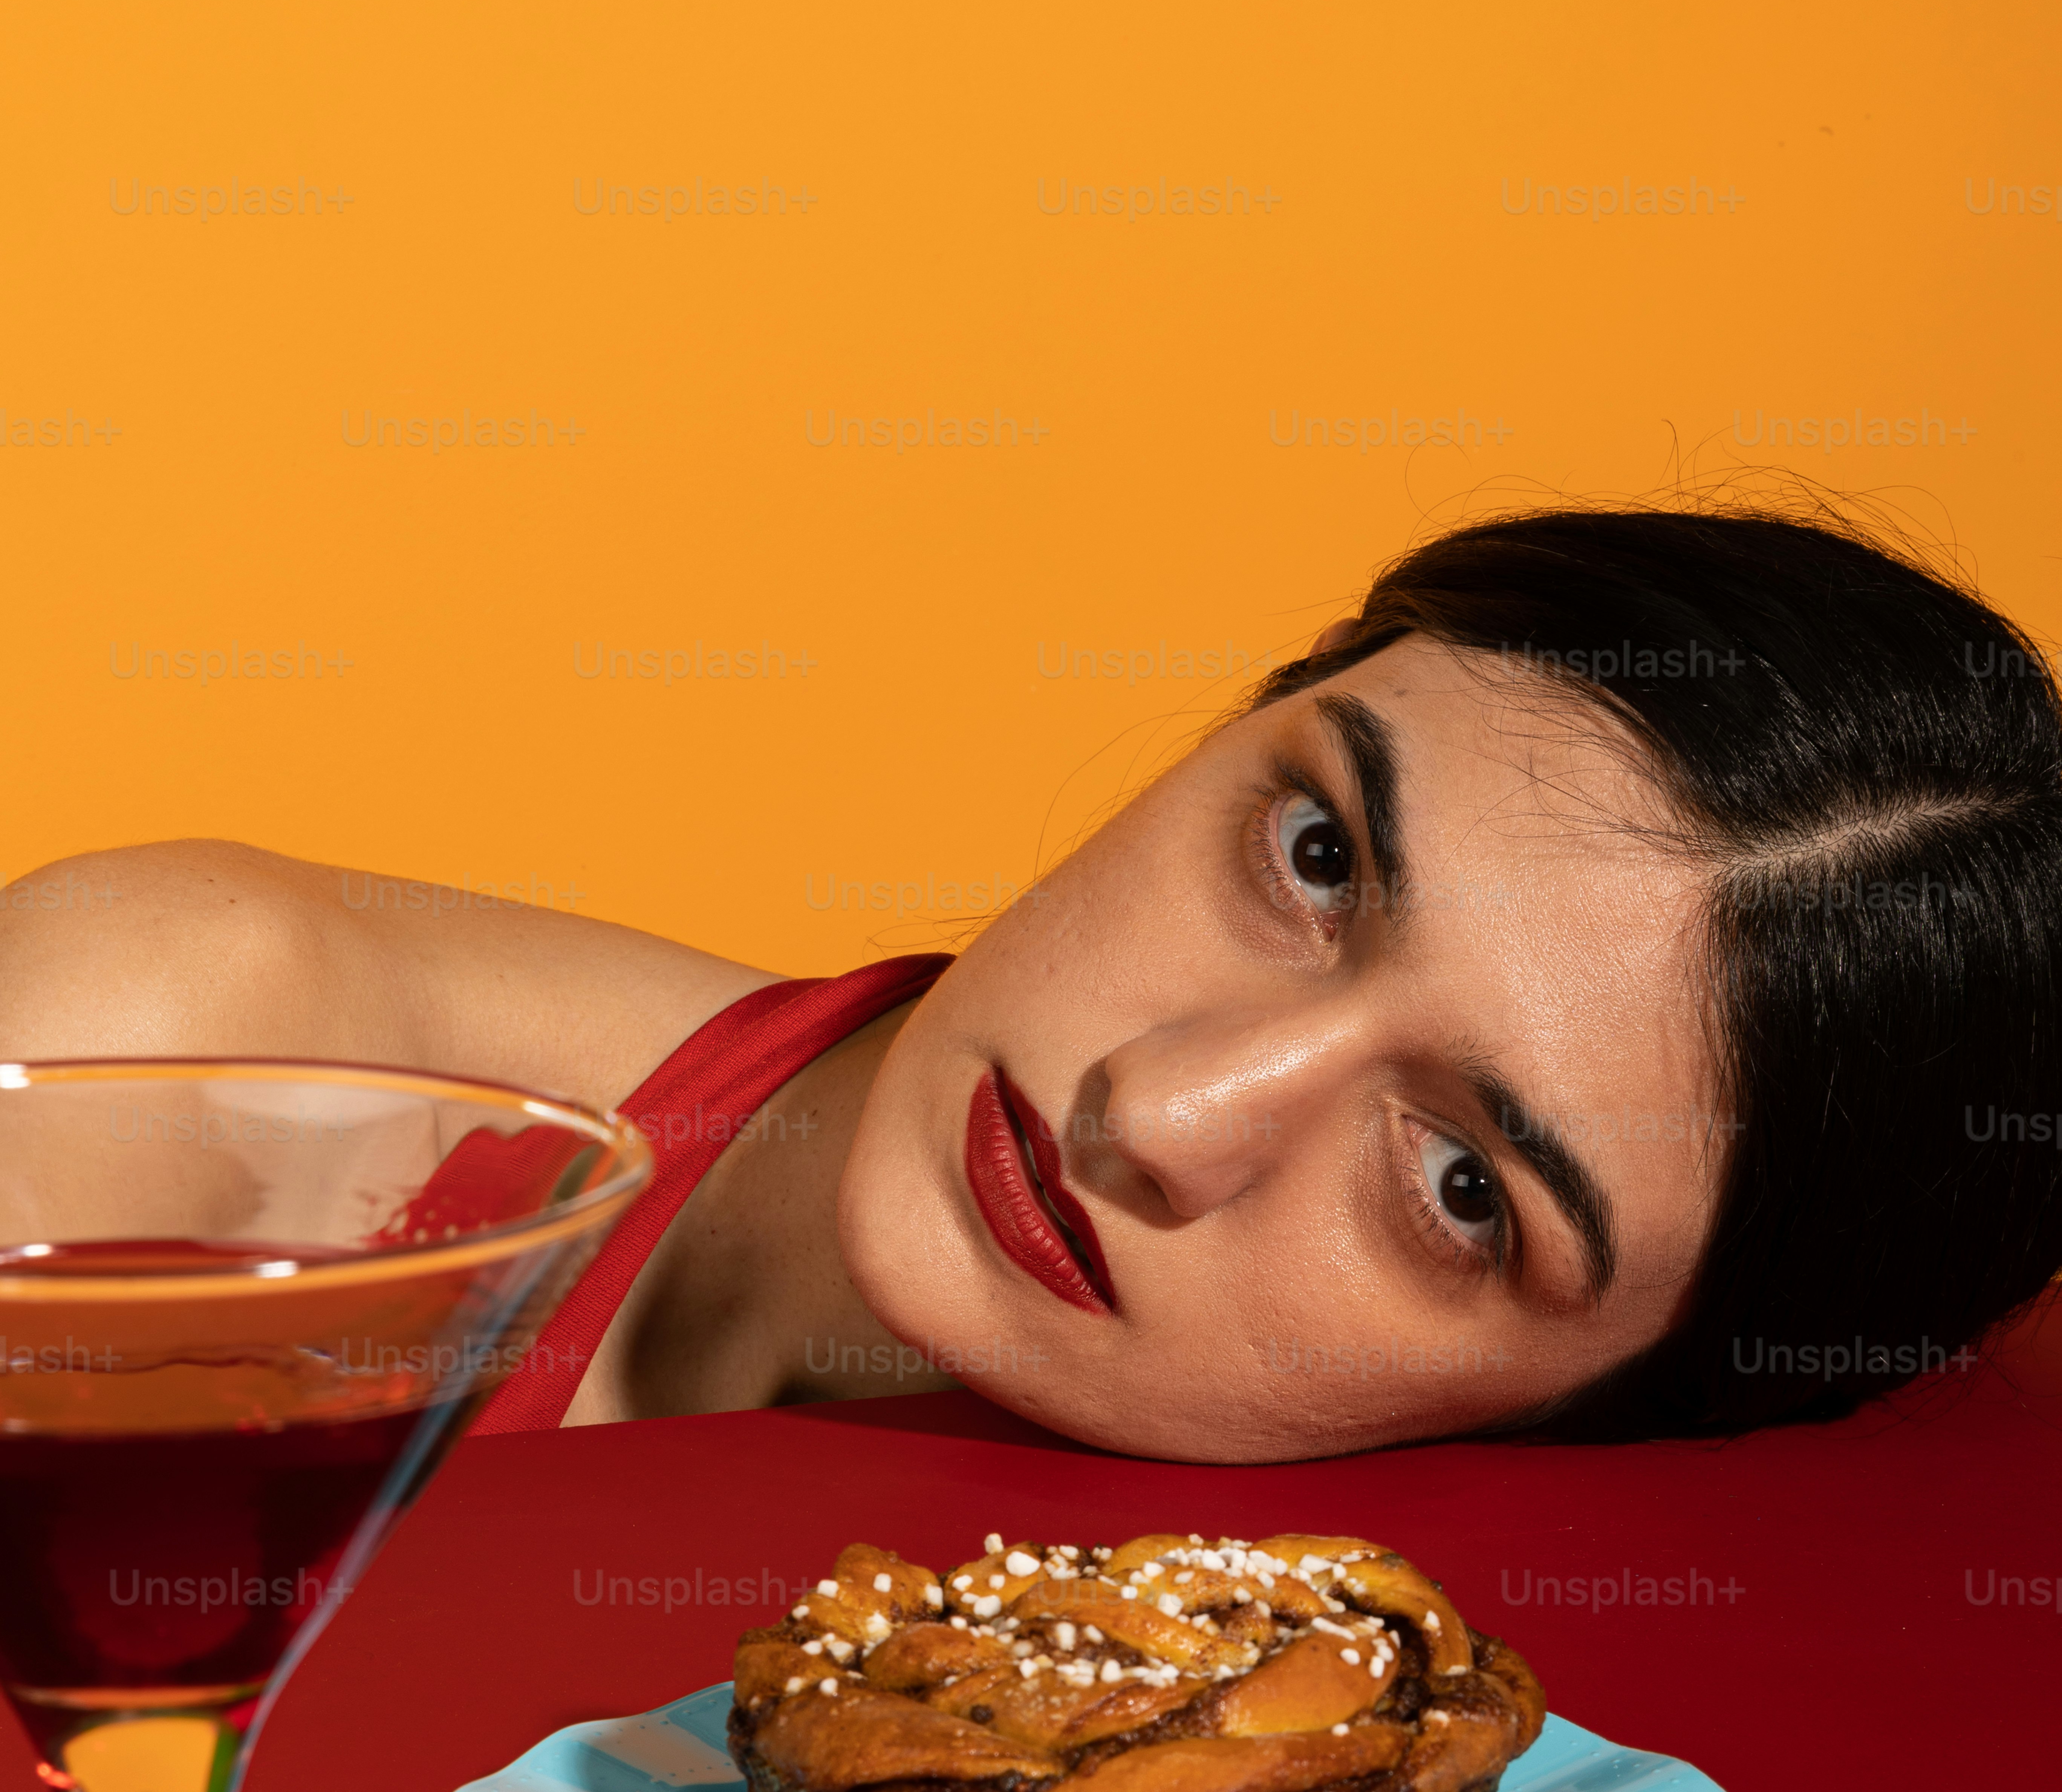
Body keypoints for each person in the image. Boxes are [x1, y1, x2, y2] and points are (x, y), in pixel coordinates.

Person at [10, 503, 2060, 1458]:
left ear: (1608, 1412)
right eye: (1317, 854)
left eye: (1460, 1190)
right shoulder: (166, 1062)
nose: (1162, 1117)